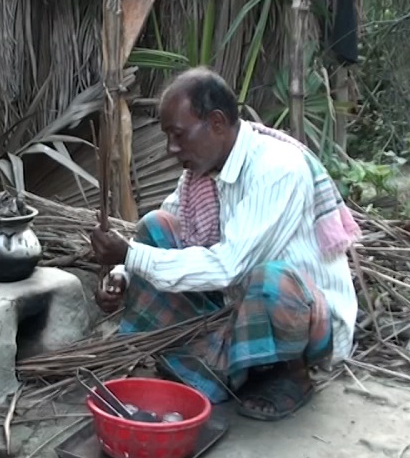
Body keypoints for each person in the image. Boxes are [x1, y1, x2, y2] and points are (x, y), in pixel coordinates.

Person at [89, 67, 360, 421]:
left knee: (271, 280)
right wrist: (121, 273)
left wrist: (130, 254)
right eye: (168, 136)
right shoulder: (202, 175)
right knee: (156, 227)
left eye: (178, 135)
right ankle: (218, 369)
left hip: (306, 318)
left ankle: (290, 374)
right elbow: (159, 238)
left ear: (216, 123)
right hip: (237, 304)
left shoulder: (278, 169)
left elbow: (229, 266)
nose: (171, 149)